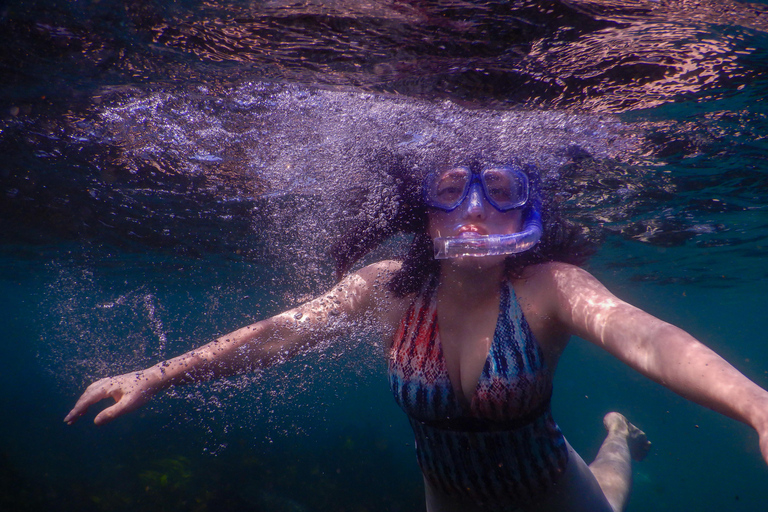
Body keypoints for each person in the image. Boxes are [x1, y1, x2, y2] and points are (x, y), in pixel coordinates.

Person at [65, 159, 768, 512]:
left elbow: (646, 337)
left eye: (498, 191)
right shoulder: (386, 288)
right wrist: (154, 374)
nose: (473, 211)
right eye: (452, 191)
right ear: (424, 213)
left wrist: (755, 405)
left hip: (553, 496)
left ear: (528, 208)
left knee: (611, 496)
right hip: (449, 501)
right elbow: (274, 336)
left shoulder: (550, 287)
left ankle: (618, 436)